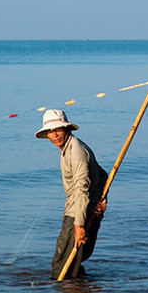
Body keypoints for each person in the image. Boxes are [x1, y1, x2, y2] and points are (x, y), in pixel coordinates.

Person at [35, 109, 108, 279]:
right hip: (80, 210)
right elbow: (103, 175)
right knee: (72, 260)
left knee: (60, 265)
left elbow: (82, 188)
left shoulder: (76, 151)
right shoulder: (69, 148)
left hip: (77, 213)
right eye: (51, 131)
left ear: (67, 129)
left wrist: (79, 224)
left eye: (58, 129)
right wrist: (102, 200)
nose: (55, 135)